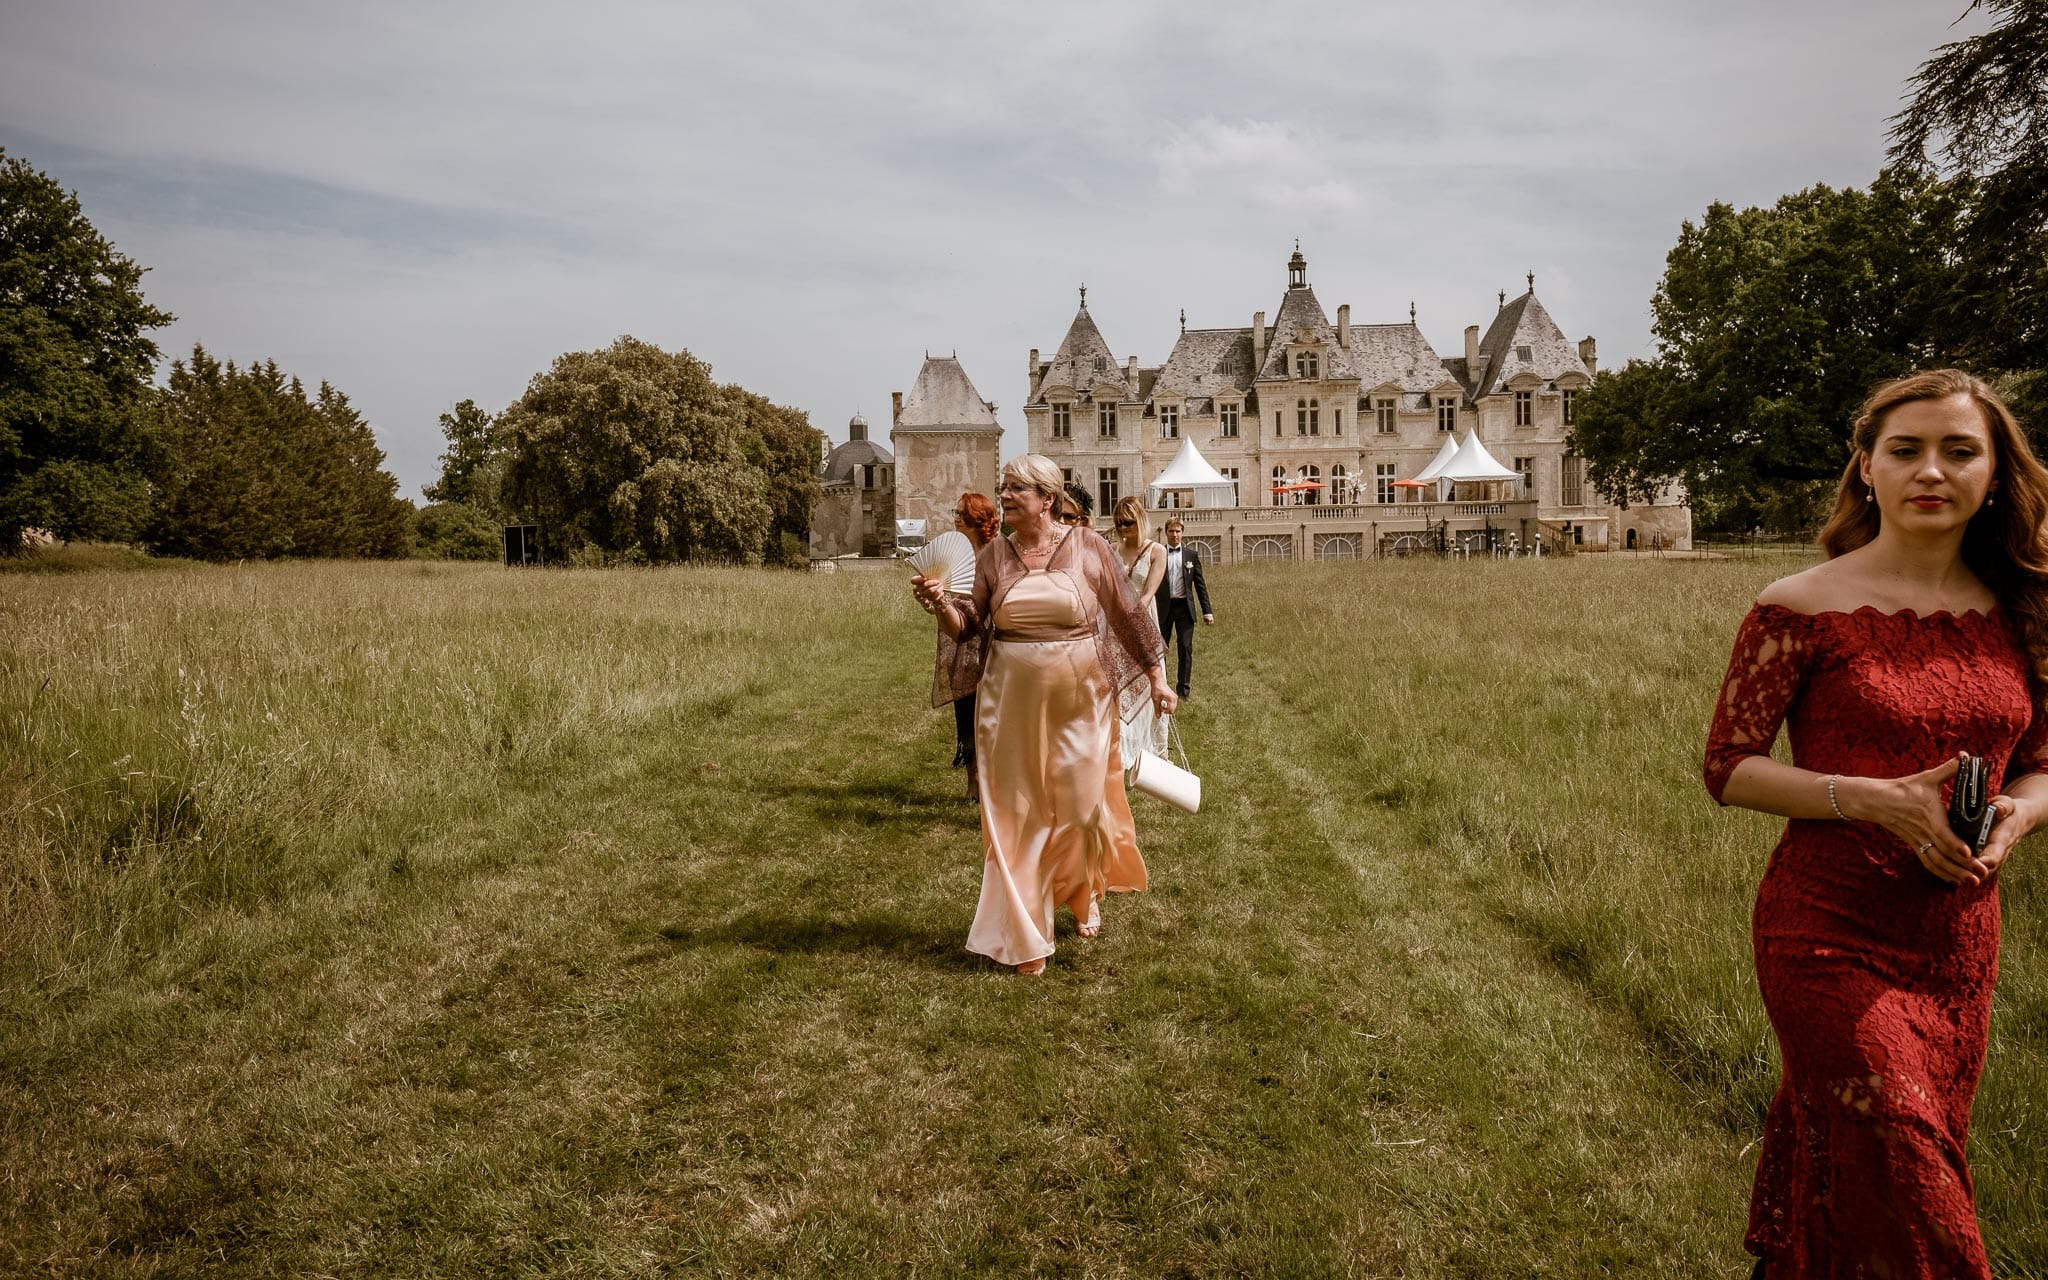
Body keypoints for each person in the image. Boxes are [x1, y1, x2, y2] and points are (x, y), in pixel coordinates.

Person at [1702, 369, 2048, 1278]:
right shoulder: (1799, 604)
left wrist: (2017, 821)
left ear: (1994, 473)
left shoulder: (2024, 610)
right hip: (1826, 934)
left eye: (1959, 450)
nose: (1931, 469)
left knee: (1874, 1171)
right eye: (1905, 450)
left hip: (1956, 942)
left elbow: (2046, 763)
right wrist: (1872, 797)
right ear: (1866, 470)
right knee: (1909, 1171)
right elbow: (1729, 767)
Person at [915, 455, 1174, 974]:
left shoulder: (1088, 547)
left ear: (1047, 500)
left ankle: (1082, 890)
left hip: (1082, 698)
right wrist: (941, 604)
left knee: (1080, 810)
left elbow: (1126, 614)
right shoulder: (993, 556)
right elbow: (967, 626)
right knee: (1015, 815)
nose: (1005, 496)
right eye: (1004, 488)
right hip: (1008, 701)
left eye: (1016, 489)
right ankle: (1026, 932)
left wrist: (1157, 675)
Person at [939, 491, 1001, 800]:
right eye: (956, 511)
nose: (957, 516)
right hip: (964, 645)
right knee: (965, 710)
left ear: (979, 519)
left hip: (992, 647)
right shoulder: (958, 556)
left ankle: (992, 780)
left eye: (963, 512)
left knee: (989, 715)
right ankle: (973, 780)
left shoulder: (996, 556)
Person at [1111, 496, 1168, 770]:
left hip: (1144, 621)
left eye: (1128, 523)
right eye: (1119, 523)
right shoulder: (1113, 551)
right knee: (1123, 689)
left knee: (1151, 684)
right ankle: (1126, 751)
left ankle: (1158, 751)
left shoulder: (1157, 551)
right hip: (1116, 626)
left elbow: (1147, 595)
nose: (1123, 529)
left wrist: (1131, 623)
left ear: (1140, 521)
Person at [1153, 517, 1214, 701]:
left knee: (1185, 647)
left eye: (1178, 531)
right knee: (1161, 649)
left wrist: (1207, 611)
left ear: (1183, 533)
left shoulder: (1191, 556)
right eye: (1171, 531)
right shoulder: (1158, 553)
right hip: (1164, 607)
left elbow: (1200, 585)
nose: (1175, 535)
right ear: (1166, 533)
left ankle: (1183, 689)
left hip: (1184, 608)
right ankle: (1161, 686)